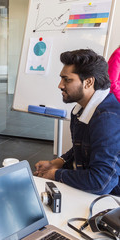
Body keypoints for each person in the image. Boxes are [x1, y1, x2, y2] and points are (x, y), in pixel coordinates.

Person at [34, 49, 120, 196]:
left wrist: (56, 174)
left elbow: (101, 182)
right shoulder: (80, 109)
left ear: (88, 82)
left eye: (67, 79)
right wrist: (58, 162)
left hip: (110, 200)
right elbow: (83, 148)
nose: (60, 85)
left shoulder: (107, 120)